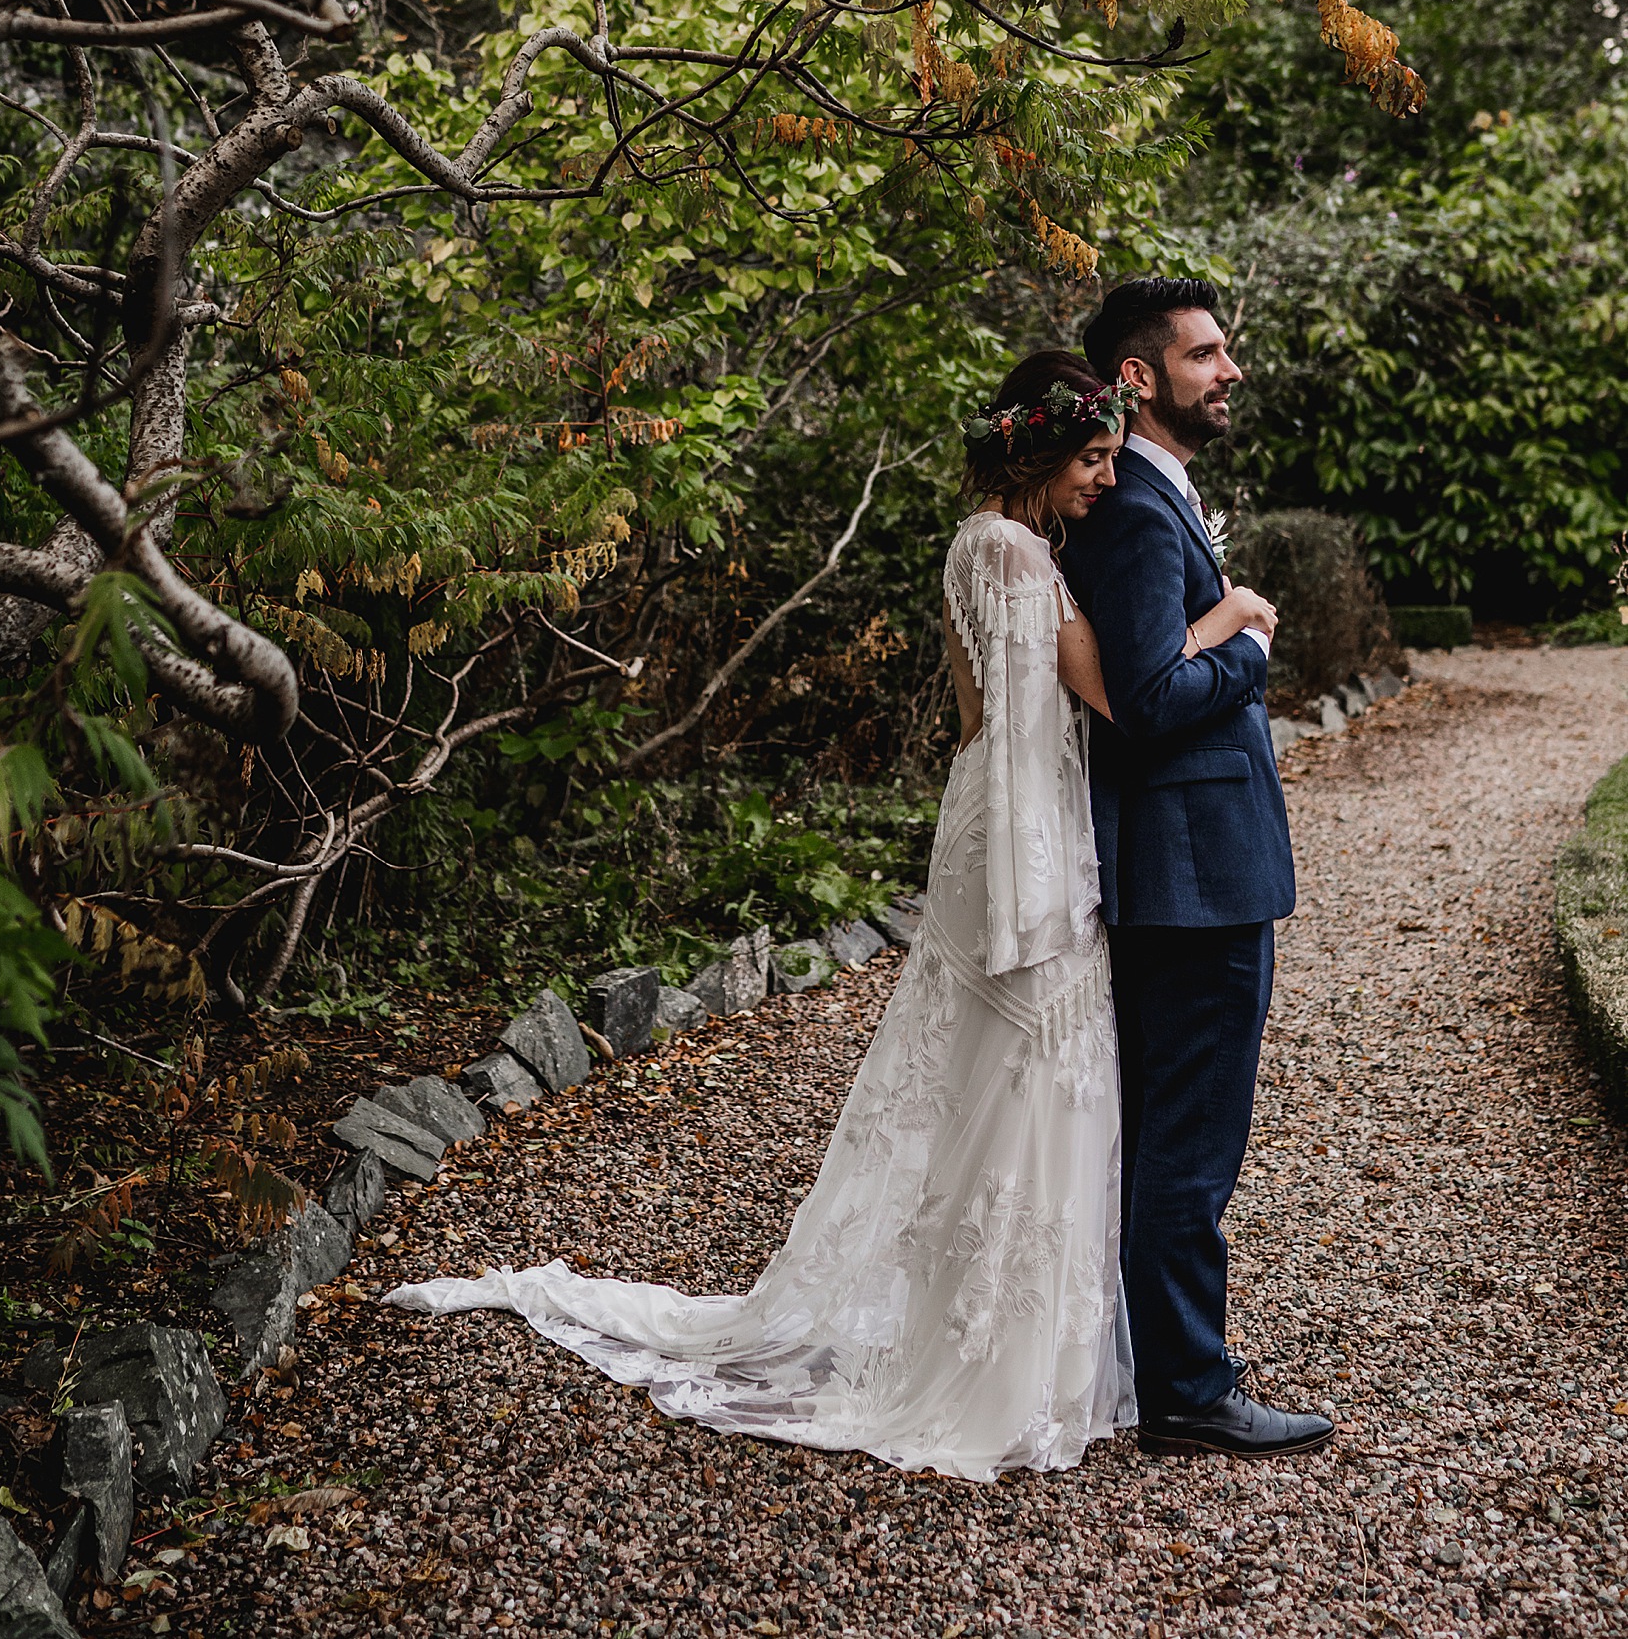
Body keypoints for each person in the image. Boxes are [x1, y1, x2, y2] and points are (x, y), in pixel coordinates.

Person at [384, 352, 1272, 1480]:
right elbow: (1108, 693)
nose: (1103, 480)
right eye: (1091, 460)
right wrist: (1230, 623)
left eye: (1108, 458)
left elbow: (974, 718)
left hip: (991, 811)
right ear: (1039, 458)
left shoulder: (973, 547)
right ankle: (1001, 1354)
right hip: (1025, 834)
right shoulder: (1012, 552)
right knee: (1032, 1076)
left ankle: (1011, 1326)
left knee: (989, 1074)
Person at [1064, 274, 1333, 1458]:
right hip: (1184, 876)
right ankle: (1185, 1389)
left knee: (1182, 1131)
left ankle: (1162, 1362)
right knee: (1186, 1138)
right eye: (1206, 353)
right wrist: (1252, 646)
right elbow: (1143, 701)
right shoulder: (1128, 509)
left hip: (1197, 864)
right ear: (1139, 376)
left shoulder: (1157, 495)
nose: (1229, 370)